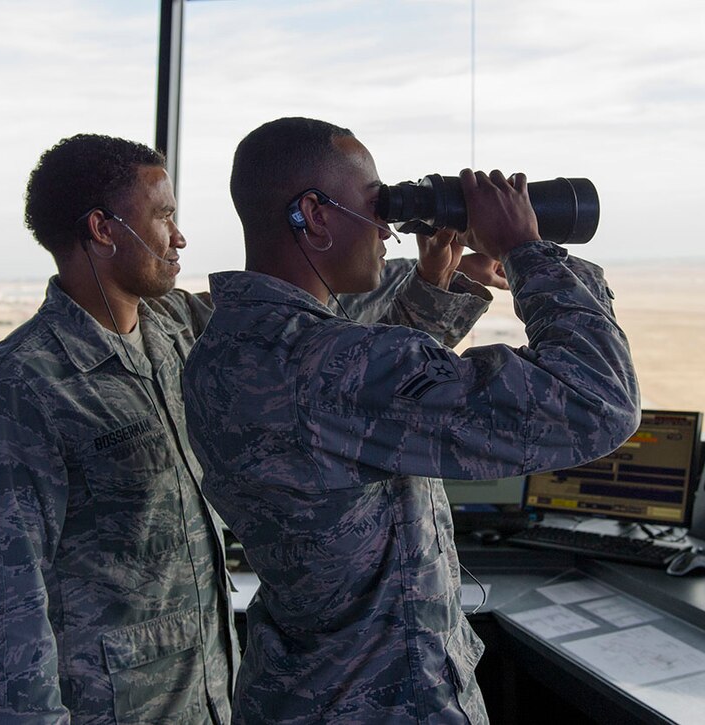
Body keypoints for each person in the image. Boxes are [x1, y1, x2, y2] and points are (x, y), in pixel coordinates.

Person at [0, 133, 496, 723]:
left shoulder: (184, 328)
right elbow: (0, 611)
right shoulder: (20, 386)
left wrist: (439, 276)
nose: (179, 237)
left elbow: (324, 334)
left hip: (213, 693)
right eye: (163, 217)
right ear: (103, 230)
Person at [181, 116, 641, 724]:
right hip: (387, 702)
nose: (388, 233)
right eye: (378, 209)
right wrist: (527, 251)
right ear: (315, 217)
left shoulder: (236, 347)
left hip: (306, 689)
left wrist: (440, 282)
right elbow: (596, 401)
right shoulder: (321, 364)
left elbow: (368, 408)